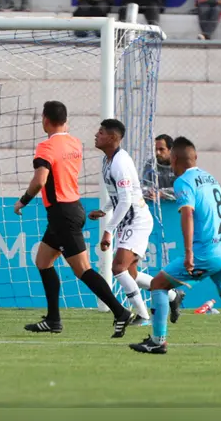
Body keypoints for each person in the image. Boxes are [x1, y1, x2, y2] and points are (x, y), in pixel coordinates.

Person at [130, 137, 221, 355]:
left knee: (158, 284)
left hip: (207, 251)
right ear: (195, 157)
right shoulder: (209, 177)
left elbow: (187, 214)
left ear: (174, 159)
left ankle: (158, 341)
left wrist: (189, 253)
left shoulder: (183, 181)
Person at [15, 101, 134, 336]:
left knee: (83, 270)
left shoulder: (45, 147)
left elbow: (40, 180)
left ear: (45, 119)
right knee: (43, 262)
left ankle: (120, 311)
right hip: (71, 208)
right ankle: (53, 320)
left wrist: (23, 201)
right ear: (65, 120)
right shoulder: (74, 143)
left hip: (62, 214)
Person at [89, 119, 184, 328]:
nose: (96, 135)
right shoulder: (108, 160)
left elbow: (125, 201)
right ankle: (172, 296)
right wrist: (104, 210)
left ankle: (143, 316)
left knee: (118, 267)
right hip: (129, 220)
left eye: (101, 132)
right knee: (130, 273)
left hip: (137, 221)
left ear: (113, 137)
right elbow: (119, 194)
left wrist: (108, 230)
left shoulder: (120, 163)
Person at [143, 134, 175, 202]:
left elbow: (183, 190)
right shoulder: (150, 164)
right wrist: (150, 192)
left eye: (161, 149)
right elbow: (144, 185)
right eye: (156, 149)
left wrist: (161, 194)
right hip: (155, 204)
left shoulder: (180, 165)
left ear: (171, 150)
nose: (157, 153)